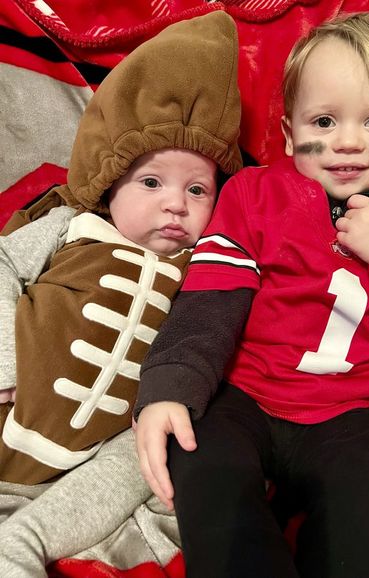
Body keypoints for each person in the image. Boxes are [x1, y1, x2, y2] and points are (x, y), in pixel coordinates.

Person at [134, 11, 369, 578]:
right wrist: (169, 389)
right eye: (323, 121)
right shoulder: (254, 193)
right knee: (207, 479)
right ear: (289, 133)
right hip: (242, 400)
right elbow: (209, 302)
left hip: (355, 418)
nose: (348, 142)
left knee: (365, 535)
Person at [0, 10, 241, 577]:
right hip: (12, 405)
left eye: (198, 189)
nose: (176, 204)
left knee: (153, 451)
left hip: (97, 459)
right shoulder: (71, 224)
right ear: (110, 187)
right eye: (152, 182)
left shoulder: (200, 268)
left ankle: (25, 542)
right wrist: (5, 361)